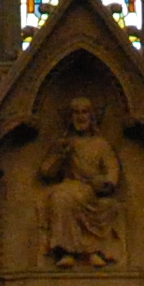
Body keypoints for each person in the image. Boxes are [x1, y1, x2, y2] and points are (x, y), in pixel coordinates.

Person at [35, 94, 125, 267]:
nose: (80, 116)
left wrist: (106, 183)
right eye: (76, 112)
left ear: (92, 117)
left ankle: (92, 251)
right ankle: (68, 251)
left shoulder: (101, 145)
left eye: (84, 112)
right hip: (70, 186)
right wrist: (60, 156)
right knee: (61, 198)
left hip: (92, 189)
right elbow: (46, 172)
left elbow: (112, 170)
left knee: (77, 198)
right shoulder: (64, 144)